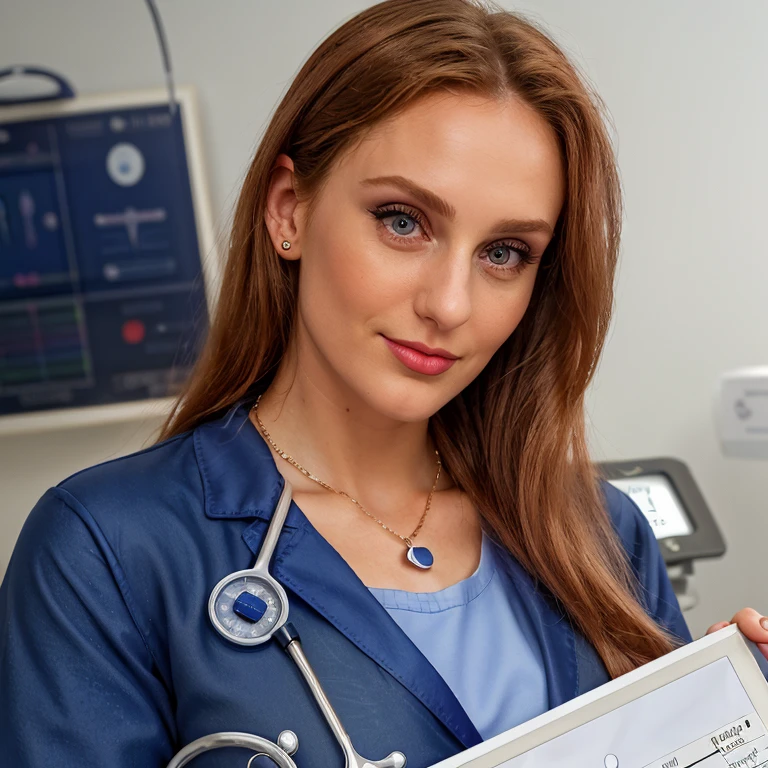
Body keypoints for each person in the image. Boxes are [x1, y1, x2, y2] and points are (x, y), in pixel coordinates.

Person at [2, 0, 767, 765]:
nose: (449, 305)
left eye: (504, 253)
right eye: (403, 221)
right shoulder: (107, 552)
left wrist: (728, 726)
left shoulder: (600, 534)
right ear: (288, 210)